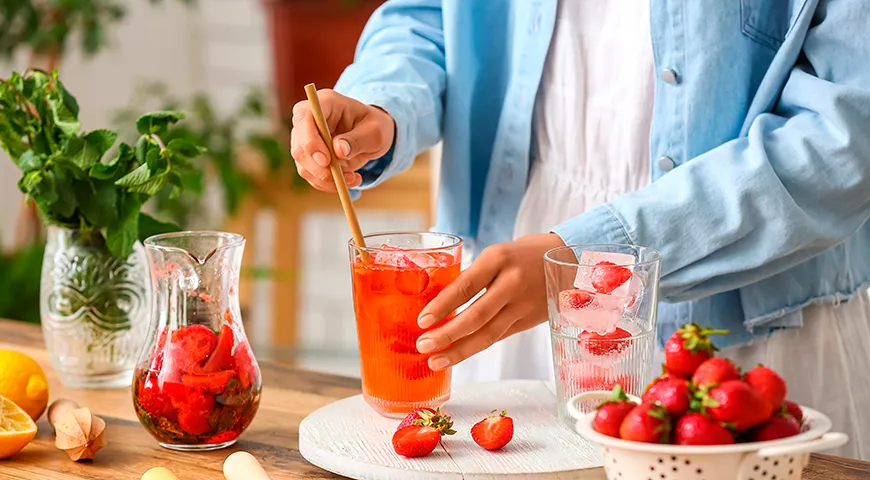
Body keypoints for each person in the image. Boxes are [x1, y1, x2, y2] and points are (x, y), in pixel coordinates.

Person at [290, 0, 870, 459]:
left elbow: (846, 140)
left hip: (739, 317)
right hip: (514, 294)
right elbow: (428, 17)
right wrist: (384, 106)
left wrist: (587, 258)